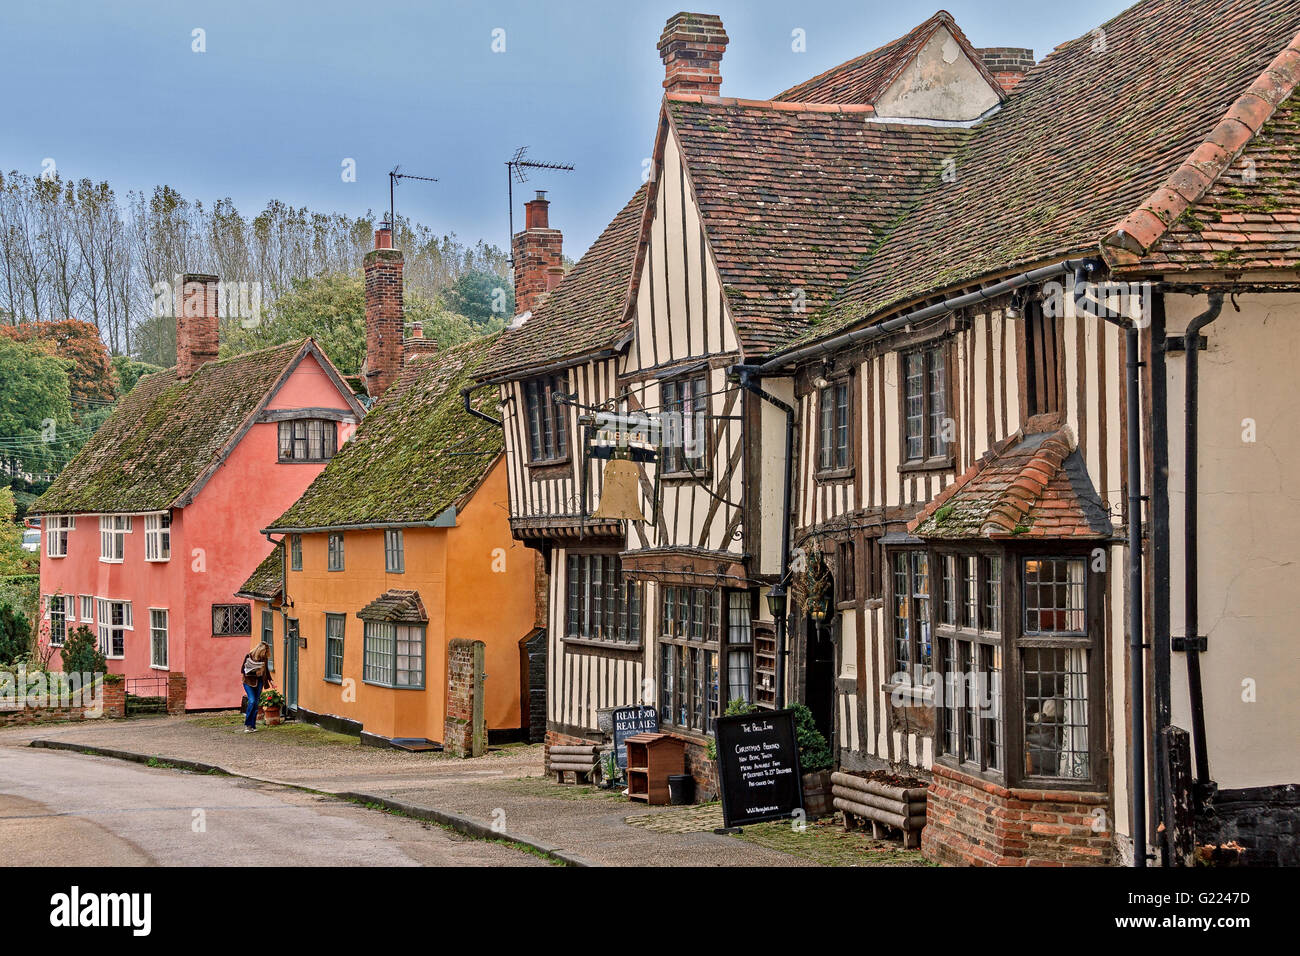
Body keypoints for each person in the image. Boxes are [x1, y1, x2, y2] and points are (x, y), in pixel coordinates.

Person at [239, 643, 273, 733]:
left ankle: (253, 726)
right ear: (259, 650)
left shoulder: (264, 658)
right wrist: (255, 672)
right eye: (264, 651)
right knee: (252, 701)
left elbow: (266, 670)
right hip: (248, 682)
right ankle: (247, 725)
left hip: (260, 682)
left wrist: (271, 681)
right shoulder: (249, 656)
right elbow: (243, 670)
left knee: (256, 704)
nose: (265, 653)